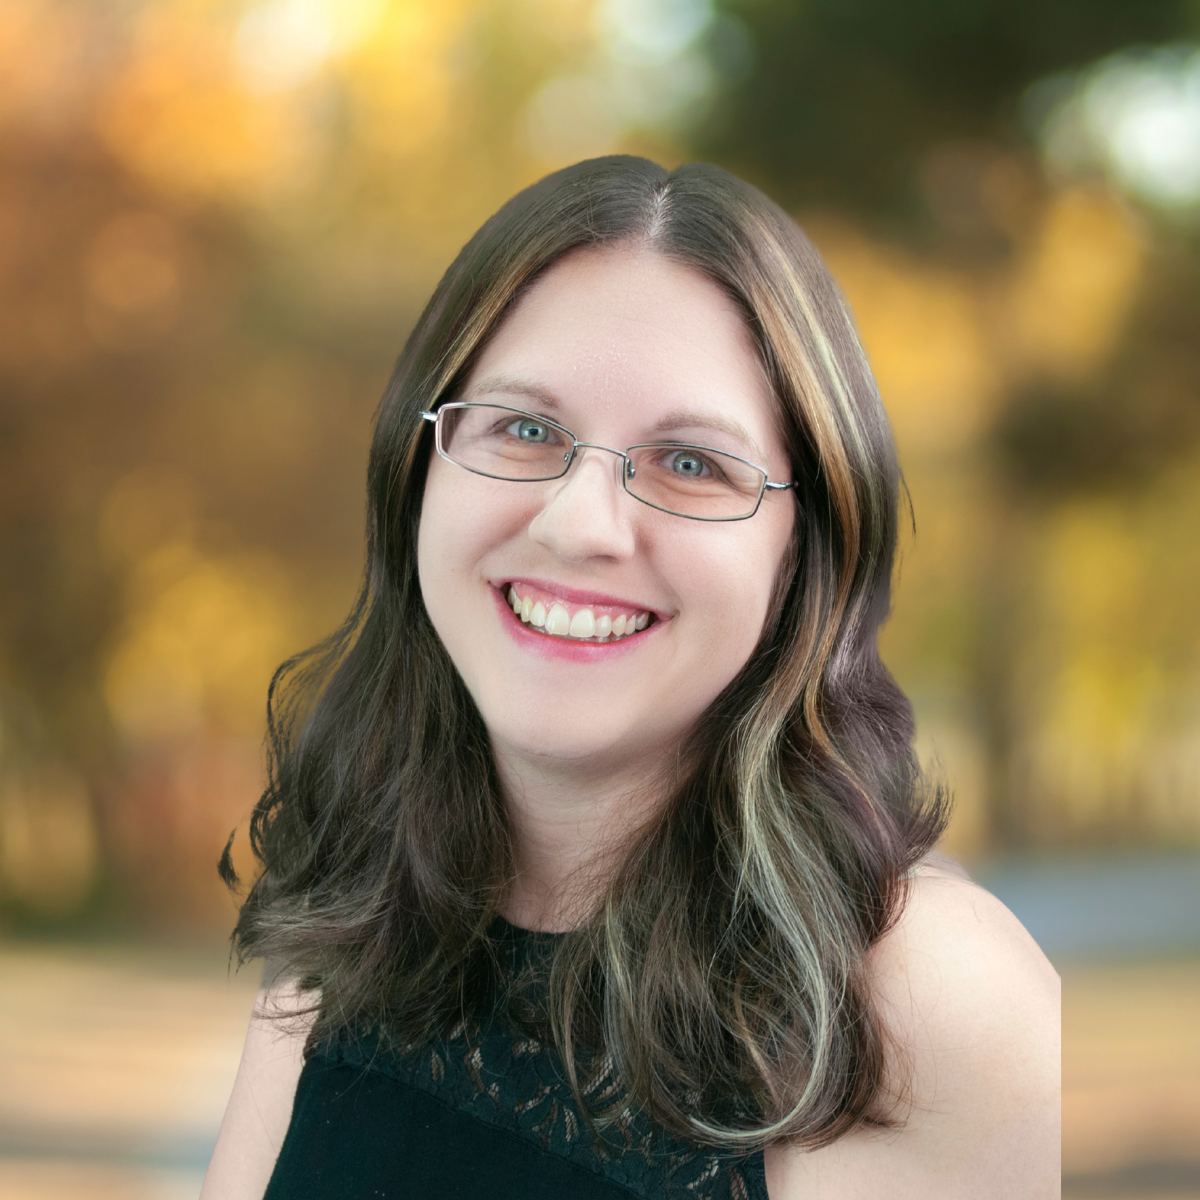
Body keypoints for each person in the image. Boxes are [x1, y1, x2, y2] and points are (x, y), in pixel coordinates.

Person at [201, 157, 1059, 1200]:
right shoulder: (356, 920)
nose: (580, 525)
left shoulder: (914, 999)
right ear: (419, 469)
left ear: (803, 549)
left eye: (692, 463)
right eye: (524, 429)